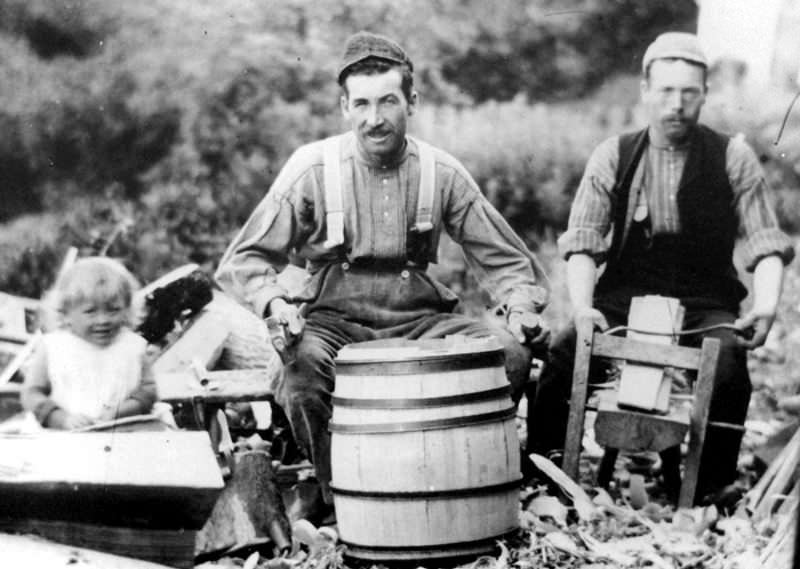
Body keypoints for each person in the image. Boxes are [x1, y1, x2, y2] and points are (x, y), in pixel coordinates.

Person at [215, 31, 551, 521]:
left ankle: (455, 484)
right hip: (332, 318)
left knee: (511, 355)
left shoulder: (441, 172)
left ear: (411, 101)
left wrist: (520, 307)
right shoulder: (313, 168)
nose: (375, 119)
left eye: (389, 101)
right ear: (344, 108)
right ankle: (343, 499)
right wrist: (276, 304)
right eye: (363, 104)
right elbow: (245, 259)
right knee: (299, 374)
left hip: (419, 319)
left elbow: (509, 263)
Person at [527, 31, 795, 504]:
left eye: (689, 93)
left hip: (704, 301)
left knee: (731, 366)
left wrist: (768, 305)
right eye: (666, 91)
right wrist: (586, 308)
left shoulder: (733, 156)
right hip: (624, 296)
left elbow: (766, 244)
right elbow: (584, 243)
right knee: (565, 355)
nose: (677, 104)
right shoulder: (615, 155)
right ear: (645, 92)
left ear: (705, 95)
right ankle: (546, 477)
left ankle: (711, 487)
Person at [22, 257, 157, 430]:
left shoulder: (132, 347)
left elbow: (148, 391)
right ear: (65, 314)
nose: (103, 320)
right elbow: (32, 393)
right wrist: (61, 418)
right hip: (62, 436)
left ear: (127, 309)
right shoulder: (54, 347)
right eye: (90, 312)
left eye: (113, 309)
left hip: (122, 432)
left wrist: (122, 411)